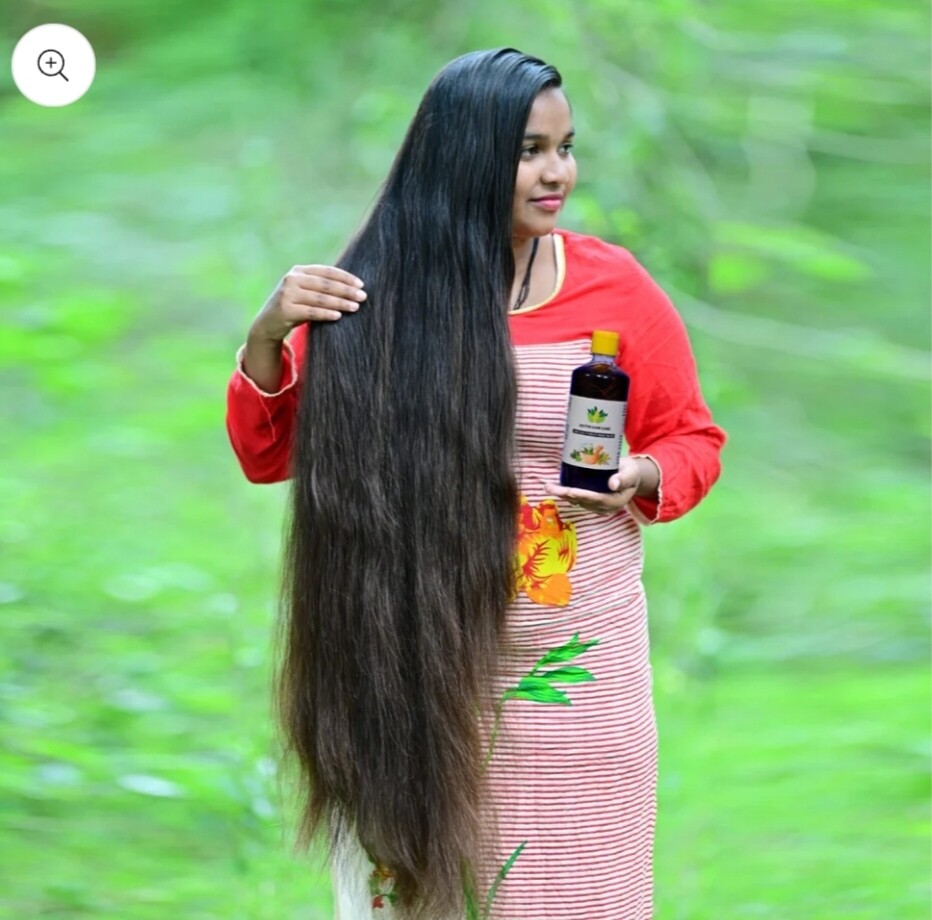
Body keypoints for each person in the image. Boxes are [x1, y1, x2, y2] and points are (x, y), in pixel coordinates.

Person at [225, 48, 726, 920]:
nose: (557, 173)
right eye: (529, 152)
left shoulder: (612, 286)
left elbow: (693, 439)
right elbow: (270, 455)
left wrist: (641, 473)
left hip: (576, 664)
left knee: (577, 888)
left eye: (566, 148)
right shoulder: (375, 297)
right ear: (464, 157)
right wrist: (268, 336)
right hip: (416, 659)